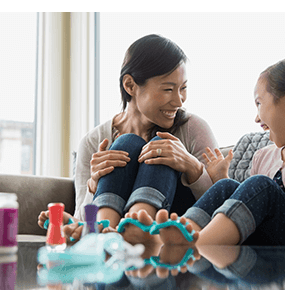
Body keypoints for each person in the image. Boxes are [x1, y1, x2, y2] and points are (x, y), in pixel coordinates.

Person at [151, 56, 285, 247]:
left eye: (259, 103)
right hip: (269, 250)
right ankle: (168, 237)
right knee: (228, 186)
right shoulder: (263, 156)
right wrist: (220, 178)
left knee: (261, 186)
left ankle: (193, 248)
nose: (256, 118)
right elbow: (250, 211)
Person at [37, 34, 218, 244]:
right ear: (130, 85)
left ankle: (138, 228)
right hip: (107, 235)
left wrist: (191, 166)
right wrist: (94, 184)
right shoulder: (92, 142)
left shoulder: (192, 127)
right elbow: (81, 216)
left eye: (183, 88)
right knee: (126, 144)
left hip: (168, 231)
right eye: (168, 89)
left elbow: (220, 204)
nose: (179, 100)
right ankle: (109, 233)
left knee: (158, 147)